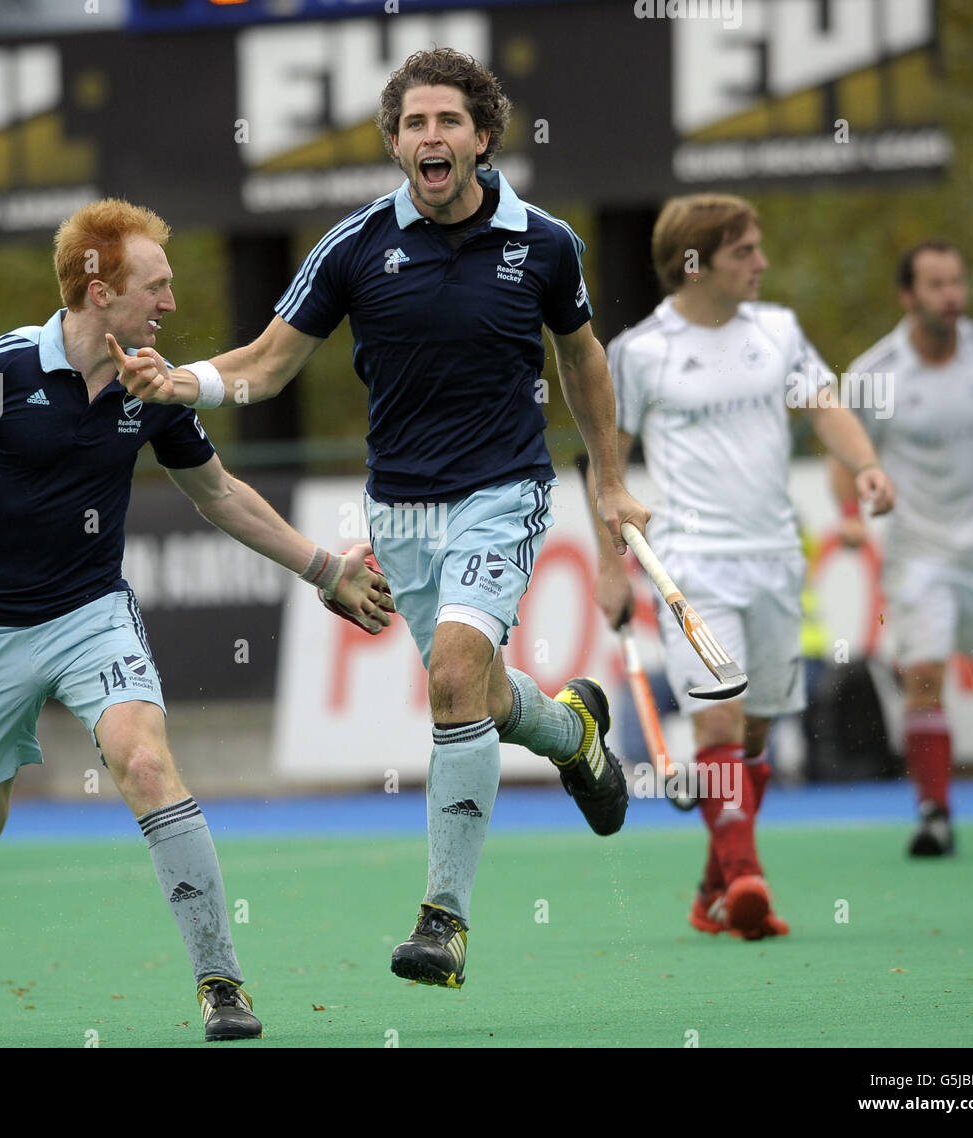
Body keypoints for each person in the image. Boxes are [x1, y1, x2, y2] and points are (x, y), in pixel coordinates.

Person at [109, 48, 648, 990]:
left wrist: (610, 481)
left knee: (451, 678)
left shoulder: (546, 243)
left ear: (483, 137)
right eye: (412, 124)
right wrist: (182, 379)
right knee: (472, 700)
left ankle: (444, 921)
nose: (429, 138)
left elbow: (584, 359)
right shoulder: (355, 246)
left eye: (447, 122)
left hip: (504, 490)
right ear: (395, 143)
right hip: (400, 510)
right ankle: (573, 734)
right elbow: (269, 363)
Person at [0, 198, 392, 1042]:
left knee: (146, 763)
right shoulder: (0, 368)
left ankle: (220, 982)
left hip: (91, 613)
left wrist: (324, 569)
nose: (170, 303)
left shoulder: (152, 383)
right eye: (156, 285)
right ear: (98, 288)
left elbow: (218, 492)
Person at [585, 193, 895, 939]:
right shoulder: (640, 352)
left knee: (753, 739)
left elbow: (825, 407)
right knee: (718, 719)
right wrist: (612, 569)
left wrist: (869, 466)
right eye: (743, 252)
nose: (760, 263)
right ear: (694, 264)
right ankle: (750, 880)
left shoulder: (779, 332)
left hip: (775, 561)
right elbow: (607, 471)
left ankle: (714, 885)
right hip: (690, 563)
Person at [829, 239, 973, 855]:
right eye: (936, 285)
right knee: (923, 676)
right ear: (908, 296)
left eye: (957, 282)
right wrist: (850, 512)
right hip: (919, 551)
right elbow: (848, 453)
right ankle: (935, 814)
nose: (952, 295)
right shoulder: (875, 373)